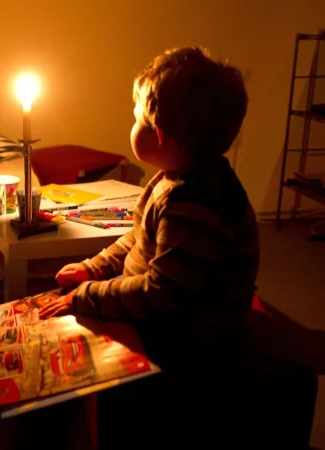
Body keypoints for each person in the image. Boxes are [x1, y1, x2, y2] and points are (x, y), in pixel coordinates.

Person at [42, 46, 259, 362]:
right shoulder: (172, 177)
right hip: (159, 307)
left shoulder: (197, 204)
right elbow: (139, 237)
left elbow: (161, 294)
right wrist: (95, 268)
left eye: (135, 118)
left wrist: (85, 296)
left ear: (157, 134)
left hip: (193, 335)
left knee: (71, 352)